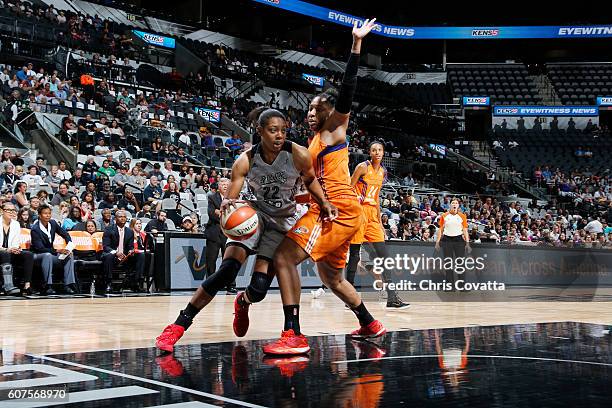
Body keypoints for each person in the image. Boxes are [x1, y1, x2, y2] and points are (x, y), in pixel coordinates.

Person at [155, 108, 335, 353]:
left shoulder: (298, 154)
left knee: (259, 288)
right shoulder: (246, 160)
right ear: (260, 131)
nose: (279, 135)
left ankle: (244, 301)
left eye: (283, 130)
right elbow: (232, 196)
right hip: (253, 217)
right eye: (273, 130)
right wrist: (229, 205)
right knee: (226, 272)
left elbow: (311, 180)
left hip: (280, 222)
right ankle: (177, 326)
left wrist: (324, 203)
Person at [264, 19, 385, 355]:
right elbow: (315, 182)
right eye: (308, 109)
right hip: (335, 209)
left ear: (331, 112)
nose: (310, 112)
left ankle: (293, 335)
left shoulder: (334, 131)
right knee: (331, 279)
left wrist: (356, 45)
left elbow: (347, 91)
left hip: (337, 211)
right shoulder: (315, 142)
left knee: (284, 258)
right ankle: (370, 323)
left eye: (316, 108)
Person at [345, 141, 409, 308]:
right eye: (374, 150)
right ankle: (349, 297)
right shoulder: (362, 167)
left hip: (373, 215)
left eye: (380, 150)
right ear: (370, 152)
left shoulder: (382, 171)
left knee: (385, 257)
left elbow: (377, 198)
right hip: (359, 214)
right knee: (354, 256)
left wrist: (380, 222)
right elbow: (349, 189)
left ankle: (392, 297)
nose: (377, 152)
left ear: (383, 152)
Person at [30, 205, 77, 295]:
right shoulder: (35, 229)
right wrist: (57, 251)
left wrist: (69, 244)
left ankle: (68, 284)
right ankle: (48, 286)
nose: (48, 215)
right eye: (45, 213)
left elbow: (65, 233)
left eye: (49, 213)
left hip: (50, 253)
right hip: (37, 255)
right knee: (47, 255)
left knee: (69, 255)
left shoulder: (53, 223)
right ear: (39, 215)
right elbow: (40, 248)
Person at [101, 210, 145, 294]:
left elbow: (130, 246)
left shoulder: (129, 231)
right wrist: (116, 252)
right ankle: (109, 283)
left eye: (124, 217)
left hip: (125, 256)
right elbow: (106, 246)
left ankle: (136, 282)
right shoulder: (109, 229)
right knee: (108, 256)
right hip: (113, 255)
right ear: (115, 219)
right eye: (120, 217)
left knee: (141, 255)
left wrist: (130, 250)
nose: (123, 219)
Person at [435, 198, 471, 289]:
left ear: (458, 206)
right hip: (447, 240)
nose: (454, 204)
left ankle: (462, 286)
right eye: (453, 203)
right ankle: (450, 286)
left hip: (459, 240)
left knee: (460, 263)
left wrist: (467, 243)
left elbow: (465, 230)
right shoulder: (444, 215)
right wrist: (437, 242)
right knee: (448, 263)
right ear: (450, 205)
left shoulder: (462, 216)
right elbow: (441, 229)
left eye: (456, 203)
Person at [0, 202, 34, 295]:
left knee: (28, 255)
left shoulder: (16, 224)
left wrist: (14, 248)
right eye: (8, 210)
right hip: (2, 251)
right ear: (2, 211)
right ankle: (8, 285)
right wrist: (6, 249)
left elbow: (15, 242)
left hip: (10, 251)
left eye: (13, 210)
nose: (11, 212)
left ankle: (27, 286)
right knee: (5, 253)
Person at [203, 178, 229, 284]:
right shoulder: (212, 197)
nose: (225, 185)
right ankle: (210, 284)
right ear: (218, 186)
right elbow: (211, 213)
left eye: (227, 184)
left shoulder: (234, 198)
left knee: (228, 261)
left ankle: (230, 284)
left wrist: (220, 212)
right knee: (211, 260)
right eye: (222, 183)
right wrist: (225, 214)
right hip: (214, 232)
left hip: (228, 233)